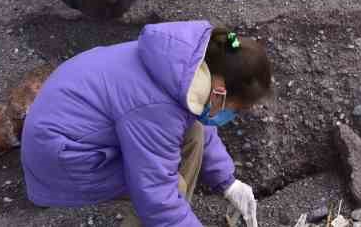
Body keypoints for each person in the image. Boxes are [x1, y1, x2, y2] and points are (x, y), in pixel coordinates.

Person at [21, 21, 271, 227]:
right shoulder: (156, 109)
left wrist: (227, 181)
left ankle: (176, 213)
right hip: (60, 158)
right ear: (219, 92)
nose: (229, 116)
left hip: (69, 124)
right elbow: (155, 196)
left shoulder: (182, 64)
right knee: (168, 190)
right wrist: (167, 208)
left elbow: (195, 120)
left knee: (194, 131)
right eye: (233, 109)